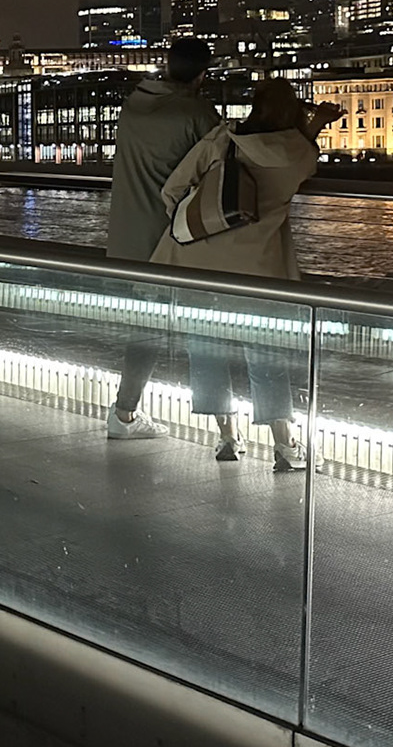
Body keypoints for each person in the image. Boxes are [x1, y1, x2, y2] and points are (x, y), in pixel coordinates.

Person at [151, 79, 343, 471]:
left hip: (200, 265)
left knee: (207, 347)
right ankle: (285, 446)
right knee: (265, 353)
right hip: (258, 268)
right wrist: (317, 123)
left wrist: (200, 218)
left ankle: (226, 437)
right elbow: (297, 154)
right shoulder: (299, 155)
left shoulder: (223, 140)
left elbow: (173, 190)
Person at [102, 37, 221, 440]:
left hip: (125, 240)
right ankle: (223, 428)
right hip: (171, 241)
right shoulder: (195, 110)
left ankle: (126, 412)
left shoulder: (133, 104)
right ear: (203, 75)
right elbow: (222, 164)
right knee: (206, 328)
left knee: (143, 330)